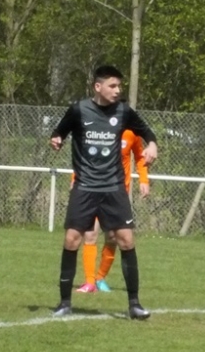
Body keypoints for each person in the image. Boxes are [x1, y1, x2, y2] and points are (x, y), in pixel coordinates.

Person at [50, 65, 158, 319]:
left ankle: (134, 305)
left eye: (119, 86)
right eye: (112, 86)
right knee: (71, 240)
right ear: (98, 87)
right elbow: (59, 131)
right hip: (85, 186)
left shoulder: (123, 112)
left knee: (126, 240)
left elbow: (146, 131)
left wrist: (152, 145)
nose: (117, 90)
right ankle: (65, 303)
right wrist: (56, 139)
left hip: (113, 188)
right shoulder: (79, 110)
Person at [76, 129, 151, 294]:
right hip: (94, 189)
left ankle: (100, 278)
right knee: (90, 234)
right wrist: (76, 179)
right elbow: (84, 156)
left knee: (112, 237)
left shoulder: (131, 132)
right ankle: (89, 282)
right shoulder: (99, 128)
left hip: (117, 194)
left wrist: (144, 180)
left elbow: (140, 156)